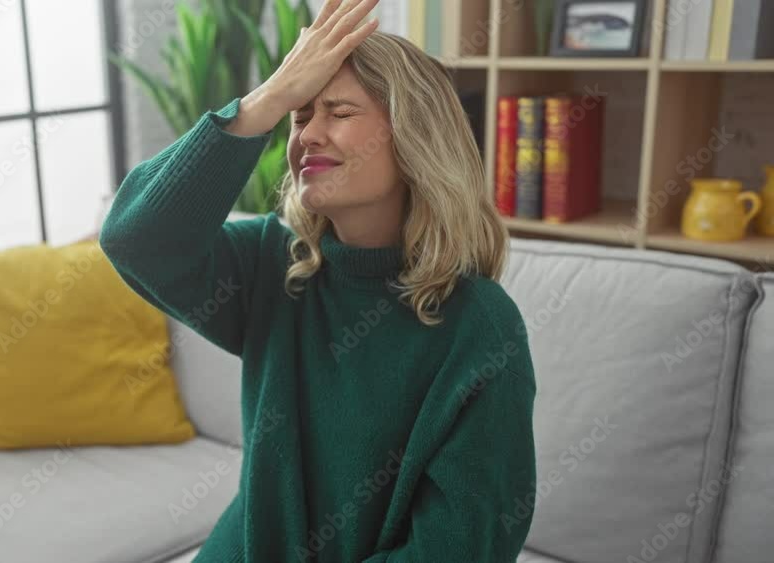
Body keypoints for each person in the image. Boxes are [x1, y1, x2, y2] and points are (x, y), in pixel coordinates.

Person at [99, 0, 537, 561]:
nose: (309, 134)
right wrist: (268, 99)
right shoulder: (271, 265)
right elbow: (133, 238)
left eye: (340, 112)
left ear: (412, 137)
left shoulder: (480, 327)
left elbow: (461, 543)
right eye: (301, 115)